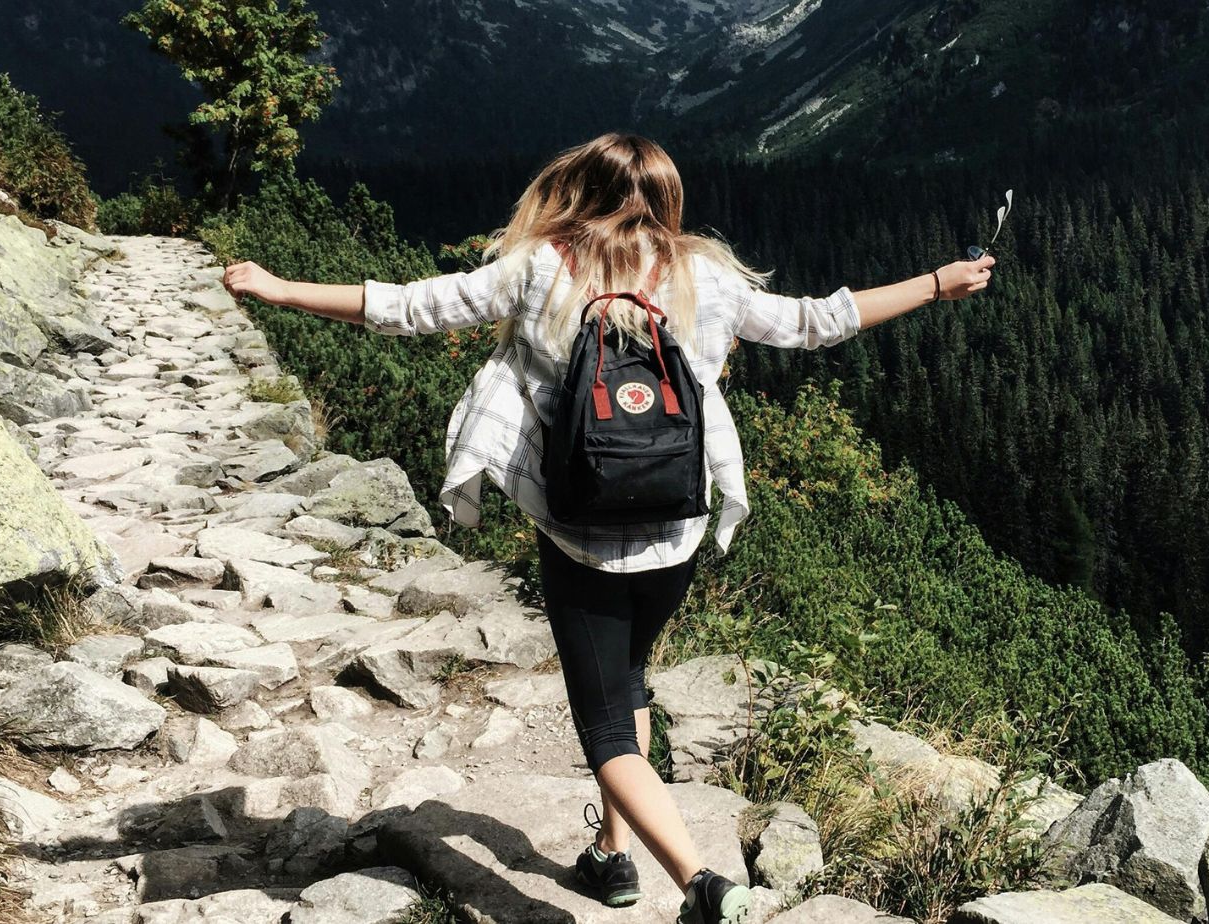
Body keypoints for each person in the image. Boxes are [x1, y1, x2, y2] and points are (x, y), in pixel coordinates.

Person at [220, 131, 994, 924]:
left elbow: (407, 306)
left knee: (605, 730)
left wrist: (281, 288)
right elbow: (817, 321)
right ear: (668, 201)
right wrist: (937, 283)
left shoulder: (540, 268)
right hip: (674, 530)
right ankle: (612, 858)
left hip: (580, 535)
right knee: (630, 681)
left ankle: (702, 885)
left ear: (578, 192)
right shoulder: (706, 277)